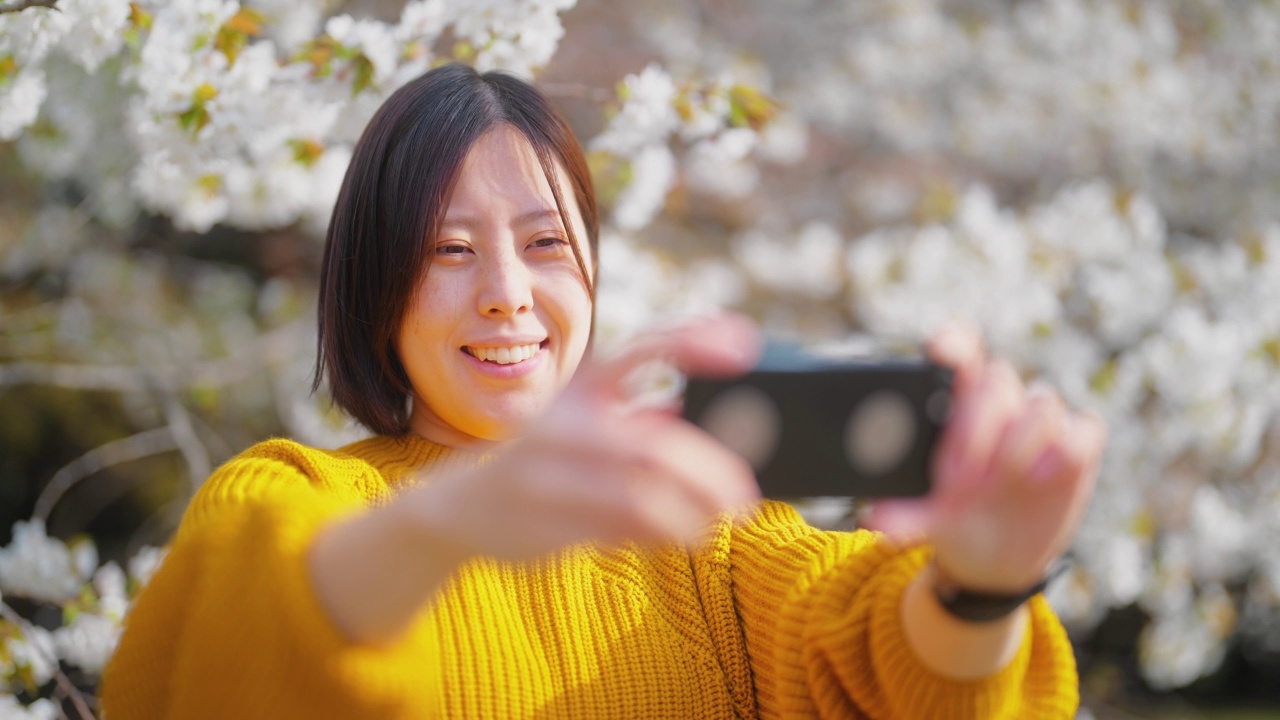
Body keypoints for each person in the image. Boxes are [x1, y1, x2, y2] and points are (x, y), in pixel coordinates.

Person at [100, 64, 1105, 719]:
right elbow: (210, 663)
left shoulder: (702, 536)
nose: (505, 295)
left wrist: (977, 588)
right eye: (448, 250)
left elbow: (867, 656)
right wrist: (445, 523)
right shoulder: (289, 498)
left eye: (543, 244)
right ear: (374, 284)